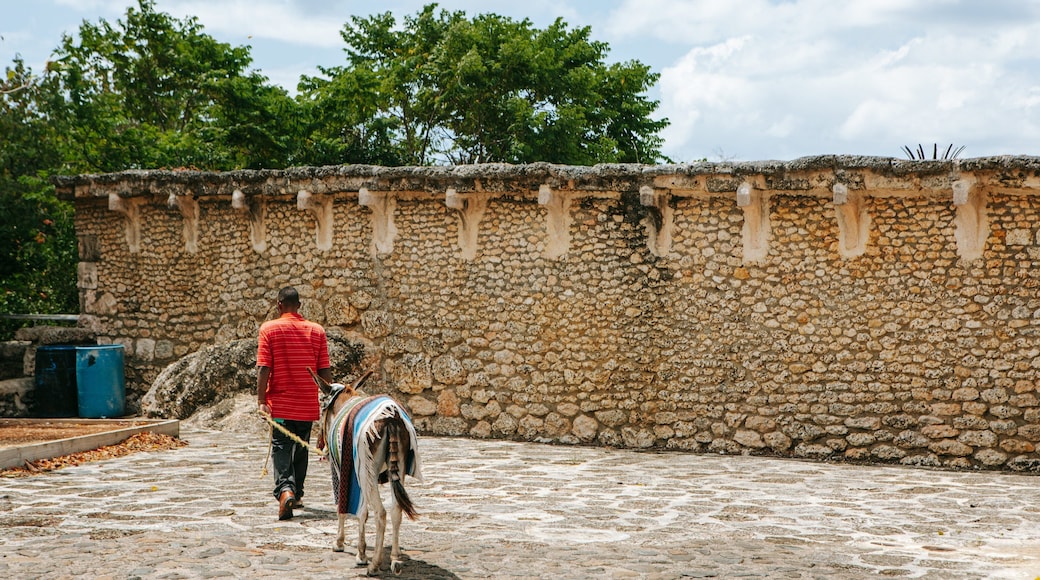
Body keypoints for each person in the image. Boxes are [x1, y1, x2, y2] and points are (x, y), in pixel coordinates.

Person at [256, 286, 333, 521]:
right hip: (306, 405)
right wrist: (328, 401)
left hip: (280, 405)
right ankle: (297, 494)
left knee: (281, 447)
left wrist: (261, 400)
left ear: (278, 305)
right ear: (299, 306)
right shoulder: (316, 331)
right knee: (301, 449)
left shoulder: (269, 329)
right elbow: (325, 371)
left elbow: (264, 368)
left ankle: (285, 490)